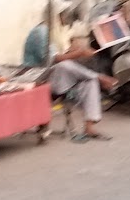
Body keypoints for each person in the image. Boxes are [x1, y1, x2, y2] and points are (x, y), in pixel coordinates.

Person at [27, 13, 114, 142]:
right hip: (39, 78)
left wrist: (75, 51)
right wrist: (80, 53)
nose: (65, 19)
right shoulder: (40, 32)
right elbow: (54, 59)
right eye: (62, 15)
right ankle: (99, 77)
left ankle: (89, 128)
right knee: (65, 65)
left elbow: (59, 55)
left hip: (59, 79)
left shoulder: (54, 32)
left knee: (90, 82)